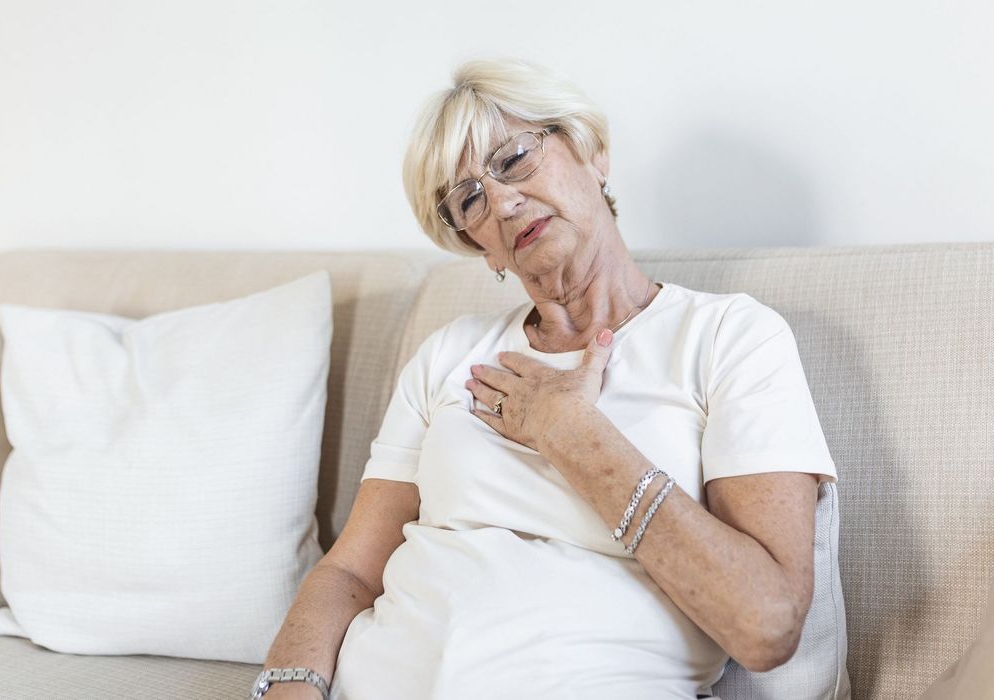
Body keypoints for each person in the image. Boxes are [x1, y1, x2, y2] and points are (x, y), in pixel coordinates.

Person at [251, 59, 838, 700]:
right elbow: (351, 575)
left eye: (513, 160)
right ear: (481, 247)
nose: (501, 202)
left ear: (592, 153)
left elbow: (766, 624)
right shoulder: (449, 354)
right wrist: (289, 688)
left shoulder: (729, 337)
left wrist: (569, 431)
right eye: (469, 199)